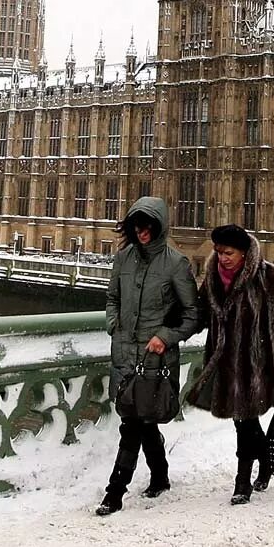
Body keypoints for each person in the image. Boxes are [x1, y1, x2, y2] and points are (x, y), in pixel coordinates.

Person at [186, 224, 274, 505]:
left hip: (256, 365)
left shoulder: (270, 278)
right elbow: (201, 315)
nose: (222, 258)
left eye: (228, 252)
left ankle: (242, 482)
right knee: (246, 422)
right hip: (225, 364)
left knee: (243, 423)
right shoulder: (213, 277)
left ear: (243, 252)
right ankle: (265, 461)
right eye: (218, 252)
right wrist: (168, 333)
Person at [97, 197, 200, 516]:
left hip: (156, 360)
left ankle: (114, 492)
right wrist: (114, 324)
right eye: (137, 226)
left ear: (160, 227)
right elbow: (112, 298)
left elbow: (193, 314)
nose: (142, 232)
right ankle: (160, 475)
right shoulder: (123, 258)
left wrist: (165, 337)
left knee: (132, 425)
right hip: (124, 355)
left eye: (149, 226)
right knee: (140, 420)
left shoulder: (176, 264)